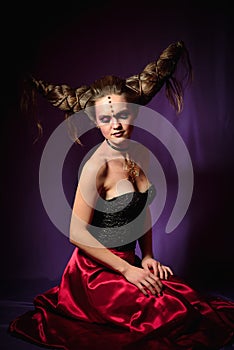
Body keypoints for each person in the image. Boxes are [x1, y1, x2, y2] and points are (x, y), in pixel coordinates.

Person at [8, 41, 234, 350]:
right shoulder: (95, 168)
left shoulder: (140, 157)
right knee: (163, 315)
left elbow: (141, 212)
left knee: (188, 301)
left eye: (122, 115)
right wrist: (128, 270)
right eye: (105, 119)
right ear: (95, 121)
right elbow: (76, 233)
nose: (115, 125)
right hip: (94, 272)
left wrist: (149, 256)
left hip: (130, 261)